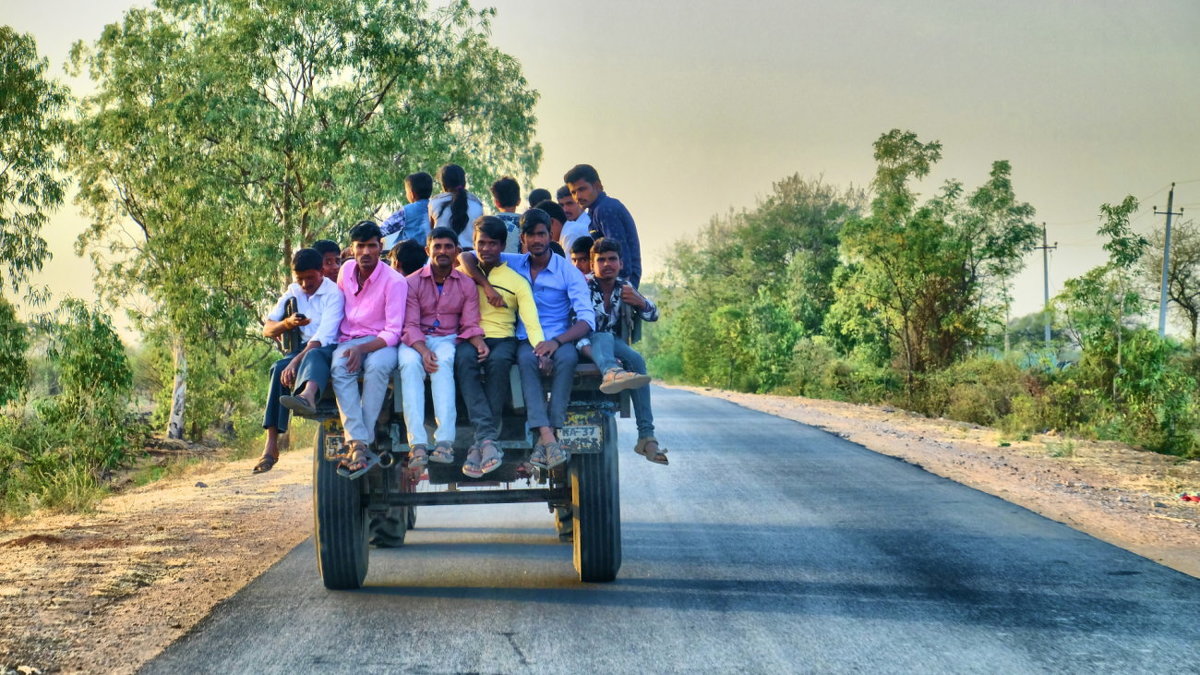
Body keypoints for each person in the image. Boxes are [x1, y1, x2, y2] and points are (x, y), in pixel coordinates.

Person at [460, 209, 594, 469]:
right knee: (526, 360)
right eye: (530, 235)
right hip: (525, 339)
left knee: (566, 361)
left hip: (559, 338)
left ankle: (549, 433)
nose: (536, 240)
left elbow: (587, 320)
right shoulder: (513, 263)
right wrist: (485, 285)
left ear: (549, 235)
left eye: (541, 234)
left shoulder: (568, 272)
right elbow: (467, 256)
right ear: (522, 238)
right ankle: (546, 436)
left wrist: (555, 343)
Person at [454, 216, 544, 477]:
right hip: (469, 337)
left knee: (499, 364)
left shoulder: (517, 281)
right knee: (463, 361)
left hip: (503, 339)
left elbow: (531, 322)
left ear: (503, 245)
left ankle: (480, 443)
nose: (486, 249)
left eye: (493, 244)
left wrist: (540, 348)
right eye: (481, 243)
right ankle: (487, 440)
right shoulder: (462, 274)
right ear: (474, 244)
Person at [396, 226, 487, 468]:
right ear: (428, 250)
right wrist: (423, 351)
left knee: (443, 362)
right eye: (437, 246)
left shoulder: (466, 284)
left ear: (457, 251)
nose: (443, 251)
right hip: (415, 339)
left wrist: (478, 341)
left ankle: (444, 442)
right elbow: (410, 324)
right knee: (408, 363)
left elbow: (469, 322)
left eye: (448, 246)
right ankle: (417, 444)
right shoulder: (411, 283)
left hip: (448, 338)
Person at [327, 220, 407, 478]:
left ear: (380, 247)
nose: (366, 252)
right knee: (339, 367)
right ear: (351, 249)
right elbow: (338, 311)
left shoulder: (395, 281)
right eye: (360, 246)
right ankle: (359, 444)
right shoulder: (345, 270)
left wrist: (362, 350)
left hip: (382, 342)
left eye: (371, 246)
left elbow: (393, 332)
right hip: (349, 339)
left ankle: (361, 442)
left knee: (378, 367)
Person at [580, 238, 666, 464]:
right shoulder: (582, 285)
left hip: (611, 341)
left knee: (637, 360)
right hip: (584, 342)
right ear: (592, 263)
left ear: (620, 262)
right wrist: (598, 355)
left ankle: (646, 435)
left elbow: (653, 315)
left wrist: (640, 301)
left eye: (612, 259)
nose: (607, 264)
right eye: (601, 260)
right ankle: (611, 371)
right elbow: (572, 327)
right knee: (603, 336)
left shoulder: (624, 286)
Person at [258, 248, 345, 474]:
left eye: (310, 278)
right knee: (278, 368)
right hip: (299, 350)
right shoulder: (293, 291)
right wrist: (287, 323)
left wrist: (295, 362)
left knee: (312, 355)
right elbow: (268, 328)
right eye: (301, 279)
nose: (306, 284)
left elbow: (323, 338)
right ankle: (271, 443)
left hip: (326, 348)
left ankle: (308, 398)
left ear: (321, 272)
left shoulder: (334, 294)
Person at [563, 164, 643, 288]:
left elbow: (619, 254)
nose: (577, 197)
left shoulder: (605, 210)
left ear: (598, 186)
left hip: (621, 284)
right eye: (573, 192)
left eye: (582, 189)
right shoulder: (594, 210)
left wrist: (619, 290)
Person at [428, 164, 484, 249]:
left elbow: (432, 231)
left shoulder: (435, 203)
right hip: (471, 255)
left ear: (443, 184)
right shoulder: (477, 204)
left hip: (442, 255)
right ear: (464, 182)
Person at [382, 171, 434, 250]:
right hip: (431, 254)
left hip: (409, 255)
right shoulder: (436, 207)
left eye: (406, 192)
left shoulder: (406, 211)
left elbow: (384, 230)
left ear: (412, 194)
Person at [489, 176, 523, 253]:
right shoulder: (525, 223)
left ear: (496, 203)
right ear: (519, 201)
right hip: (517, 264)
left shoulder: (488, 223)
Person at [556, 185, 591, 251]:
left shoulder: (588, 225)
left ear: (580, 203)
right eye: (561, 205)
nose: (565, 209)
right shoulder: (565, 228)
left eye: (569, 204)